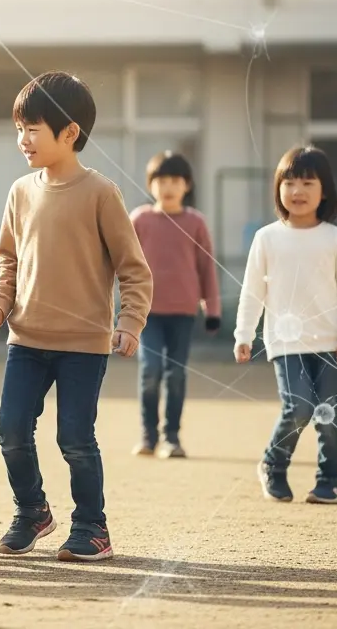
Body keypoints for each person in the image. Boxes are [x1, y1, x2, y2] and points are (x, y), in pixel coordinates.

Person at [0, 71, 152, 563]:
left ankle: (92, 528)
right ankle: (32, 510)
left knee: (74, 437)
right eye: (19, 128)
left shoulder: (101, 193)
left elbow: (133, 268)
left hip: (83, 344)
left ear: (70, 132)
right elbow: (8, 260)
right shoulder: (20, 192)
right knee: (10, 428)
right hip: (25, 340)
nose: (22, 140)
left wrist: (130, 321)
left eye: (33, 128)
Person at [234, 145, 337, 505]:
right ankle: (274, 464)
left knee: (330, 416)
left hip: (332, 343)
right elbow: (252, 292)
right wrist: (244, 334)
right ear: (278, 188)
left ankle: (329, 481)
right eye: (289, 182)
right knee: (300, 407)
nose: (298, 191)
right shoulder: (267, 238)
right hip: (286, 344)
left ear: (325, 191)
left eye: (308, 182)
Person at [129, 151, 222, 459]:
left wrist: (213, 311)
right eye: (161, 180)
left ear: (187, 185)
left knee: (176, 374)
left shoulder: (196, 222)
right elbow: (123, 264)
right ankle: (148, 435)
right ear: (151, 184)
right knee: (150, 370)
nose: (168, 187)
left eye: (175, 181)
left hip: (183, 312)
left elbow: (207, 268)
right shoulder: (139, 219)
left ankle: (172, 437)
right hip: (147, 313)